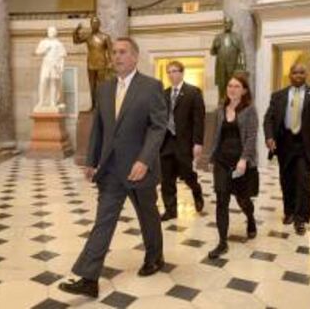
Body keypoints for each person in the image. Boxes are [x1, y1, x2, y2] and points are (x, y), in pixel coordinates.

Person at [58, 37, 167, 298]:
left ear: (134, 57)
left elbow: (158, 127)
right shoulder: (105, 89)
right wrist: (91, 160)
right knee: (103, 221)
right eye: (114, 52)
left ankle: (155, 256)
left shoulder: (151, 87)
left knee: (148, 217)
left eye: (122, 52)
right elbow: (100, 128)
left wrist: (144, 160)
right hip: (110, 171)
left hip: (139, 169)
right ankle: (88, 278)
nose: (116, 56)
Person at [263, 63, 310, 235]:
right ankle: (289, 212)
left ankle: (300, 218)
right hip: (285, 143)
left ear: (306, 75)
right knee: (286, 180)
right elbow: (269, 119)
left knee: (303, 181)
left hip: (305, 144)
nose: (298, 75)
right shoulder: (278, 95)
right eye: (295, 72)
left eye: (302, 72)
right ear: (290, 75)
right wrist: (269, 137)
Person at [208, 73, 259, 259]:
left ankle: (250, 219)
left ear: (244, 90)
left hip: (240, 162)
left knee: (242, 199)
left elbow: (252, 137)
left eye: (237, 86)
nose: (232, 89)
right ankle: (222, 242)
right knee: (222, 200)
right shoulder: (221, 109)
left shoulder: (249, 110)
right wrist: (212, 158)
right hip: (222, 161)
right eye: (230, 85)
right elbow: (217, 136)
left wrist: (244, 159)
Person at [159, 61, 205, 221]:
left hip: (184, 142)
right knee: (166, 178)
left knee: (187, 174)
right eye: (169, 72)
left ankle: (196, 191)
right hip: (166, 143)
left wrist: (198, 143)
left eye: (174, 71)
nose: (172, 75)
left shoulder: (193, 92)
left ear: (182, 72)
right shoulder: (163, 94)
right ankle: (171, 210)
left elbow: (199, 120)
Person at [73, 16, 113, 110]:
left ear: (99, 24)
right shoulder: (88, 36)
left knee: (102, 86)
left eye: (96, 23)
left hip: (102, 63)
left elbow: (110, 51)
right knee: (92, 86)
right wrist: (76, 31)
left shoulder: (105, 37)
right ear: (91, 25)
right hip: (91, 63)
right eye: (92, 23)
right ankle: (93, 105)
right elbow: (76, 41)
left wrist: (111, 62)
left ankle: (102, 105)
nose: (94, 25)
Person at [211, 17, 246, 101]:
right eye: (226, 23)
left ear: (232, 25)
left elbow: (242, 51)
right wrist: (215, 46)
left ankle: (233, 101)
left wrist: (243, 65)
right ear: (224, 24)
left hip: (233, 66)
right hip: (221, 65)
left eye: (229, 23)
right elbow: (212, 52)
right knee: (222, 85)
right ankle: (222, 101)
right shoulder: (218, 37)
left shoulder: (237, 36)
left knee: (233, 84)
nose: (227, 25)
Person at [34, 26, 67, 112]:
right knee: (43, 81)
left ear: (55, 33)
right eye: (49, 31)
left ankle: (52, 102)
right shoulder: (43, 42)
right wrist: (45, 50)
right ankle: (41, 101)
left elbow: (62, 56)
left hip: (55, 65)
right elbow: (37, 52)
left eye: (52, 31)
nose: (50, 33)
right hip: (46, 64)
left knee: (53, 83)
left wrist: (61, 66)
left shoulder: (59, 44)